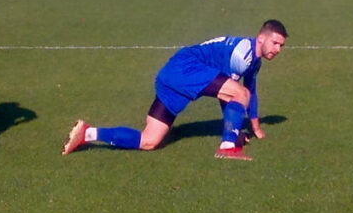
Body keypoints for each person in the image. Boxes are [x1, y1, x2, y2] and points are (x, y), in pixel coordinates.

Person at [63, 19, 288, 161]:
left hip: (171, 74)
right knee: (239, 94)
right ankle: (227, 148)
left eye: (281, 46)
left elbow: (251, 91)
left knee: (149, 141)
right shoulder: (243, 54)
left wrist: (256, 128)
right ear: (261, 38)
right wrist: (233, 133)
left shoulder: (254, 61)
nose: (278, 49)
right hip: (186, 68)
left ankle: (88, 133)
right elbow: (234, 95)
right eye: (275, 43)